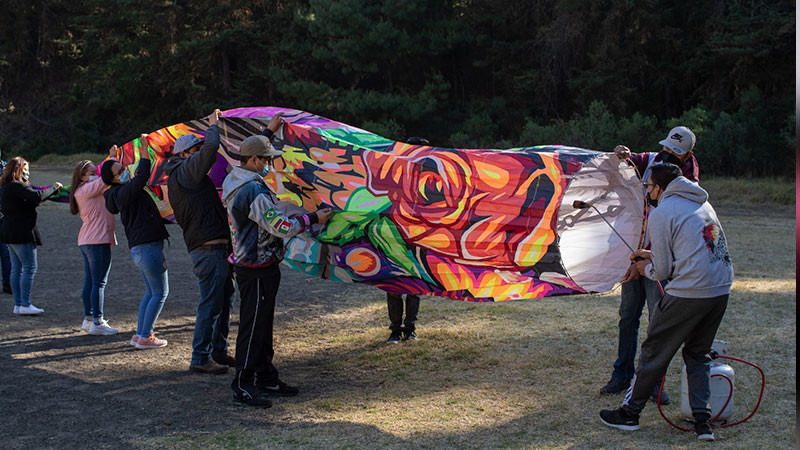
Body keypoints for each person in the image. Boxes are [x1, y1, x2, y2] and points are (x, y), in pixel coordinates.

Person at [600, 163, 733, 442]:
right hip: (720, 289)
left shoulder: (662, 212)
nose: (647, 192)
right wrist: (650, 254)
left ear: (659, 187)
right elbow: (692, 248)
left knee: (654, 351)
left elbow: (661, 272)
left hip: (689, 291)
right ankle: (703, 422)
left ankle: (630, 413)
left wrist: (643, 268)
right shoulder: (702, 203)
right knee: (697, 353)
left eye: (648, 187)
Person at [222, 121, 332, 408]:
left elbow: (251, 150)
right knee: (253, 326)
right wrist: (312, 218)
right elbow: (281, 227)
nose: (269, 165)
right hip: (256, 267)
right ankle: (243, 384)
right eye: (266, 160)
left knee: (262, 323)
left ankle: (266, 376)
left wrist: (268, 132)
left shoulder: (236, 177)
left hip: (254, 264)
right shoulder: (253, 191)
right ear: (254, 161)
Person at [600, 126, 700, 404]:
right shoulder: (650, 160)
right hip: (636, 249)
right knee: (628, 316)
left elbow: (674, 223)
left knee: (659, 323)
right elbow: (628, 161)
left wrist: (649, 258)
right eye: (665, 148)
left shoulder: (688, 181)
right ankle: (622, 375)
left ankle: (654, 383)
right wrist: (622, 154)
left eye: (674, 153)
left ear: (687, 156)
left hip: (661, 257)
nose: (666, 155)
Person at [163, 109, 238, 375]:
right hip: (208, 250)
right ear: (184, 154)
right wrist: (213, 125)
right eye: (194, 150)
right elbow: (211, 148)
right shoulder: (185, 172)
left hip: (215, 248)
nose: (199, 154)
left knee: (224, 300)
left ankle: (218, 350)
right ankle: (200, 357)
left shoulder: (185, 176)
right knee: (211, 303)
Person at [103, 135, 170, 349]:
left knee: (151, 292)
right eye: (120, 171)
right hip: (148, 247)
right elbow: (141, 176)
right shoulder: (124, 192)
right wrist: (143, 150)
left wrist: (112, 157)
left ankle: (140, 334)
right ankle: (145, 336)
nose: (124, 171)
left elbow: (119, 174)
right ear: (113, 179)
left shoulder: (115, 193)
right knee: (160, 293)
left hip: (141, 249)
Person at [0, 157, 62, 314]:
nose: (28, 173)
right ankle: (25, 304)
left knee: (16, 269)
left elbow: (29, 200)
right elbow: (36, 196)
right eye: (26, 169)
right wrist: (54, 188)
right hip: (22, 232)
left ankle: (18, 304)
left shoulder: (5, 186)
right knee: (29, 267)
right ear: (19, 170)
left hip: (9, 232)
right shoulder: (17, 186)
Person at [385, 136, 429, 344]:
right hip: (394, 235)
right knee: (393, 285)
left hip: (420, 237)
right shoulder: (395, 174)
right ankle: (395, 329)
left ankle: (409, 329)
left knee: (414, 285)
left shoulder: (430, 179)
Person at [70, 152, 118, 335]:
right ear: (82, 176)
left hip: (88, 241)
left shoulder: (84, 189)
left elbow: (103, 176)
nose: (95, 175)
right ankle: (97, 321)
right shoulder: (88, 189)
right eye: (91, 173)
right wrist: (112, 159)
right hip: (97, 240)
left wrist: (109, 159)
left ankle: (89, 319)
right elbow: (106, 177)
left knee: (90, 281)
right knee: (98, 283)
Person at [0, 153, 11, 294]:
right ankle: (7, 282)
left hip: (4, 217)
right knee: (5, 252)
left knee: (6, 252)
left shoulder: (6, 166)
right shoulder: (6, 167)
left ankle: (7, 282)